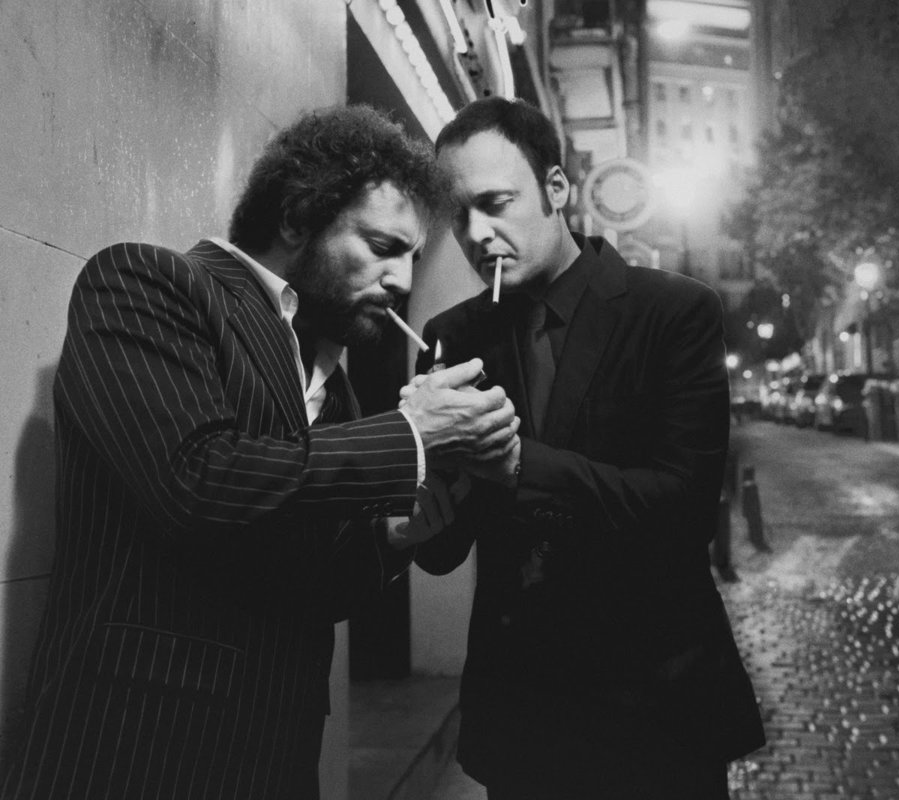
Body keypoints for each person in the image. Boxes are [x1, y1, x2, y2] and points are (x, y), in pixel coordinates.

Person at [1, 106, 516, 800]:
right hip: (135, 744)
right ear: (297, 219)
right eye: (381, 246)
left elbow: (308, 585)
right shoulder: (147, 284)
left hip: (273, 752)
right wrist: (411, 435)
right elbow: (195, 482)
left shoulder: (336, 387)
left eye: (412, 259)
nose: (401, 279)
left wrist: (395, 534)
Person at [412, 96, 765, 800]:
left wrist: (516, 464)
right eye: (458, 215)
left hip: (655, 706)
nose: (477, 234)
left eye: (496, 203)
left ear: (556, 189)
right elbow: (442, 550)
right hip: (523, 716)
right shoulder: (454, 336)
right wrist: (421, 466)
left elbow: (685, 509)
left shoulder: (673, 311)